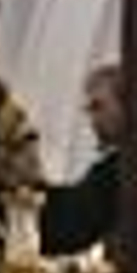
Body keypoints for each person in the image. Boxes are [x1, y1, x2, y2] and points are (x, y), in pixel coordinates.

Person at [41, 59, 122, 256]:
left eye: (98, 107)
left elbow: (70, 226)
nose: (92, 120)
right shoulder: (118, 167)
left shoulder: (119, 171)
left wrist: (26, 193)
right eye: (89, 110)